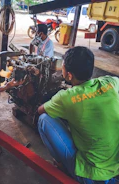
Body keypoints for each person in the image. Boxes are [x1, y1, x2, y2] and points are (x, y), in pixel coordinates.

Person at [37, 46, 119, 183]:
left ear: (69, 75)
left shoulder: (66, 97)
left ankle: (62, 167)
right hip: (115, 166)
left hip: (90, 174)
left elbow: (40, 110)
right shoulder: (111, 82)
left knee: (43, 120)